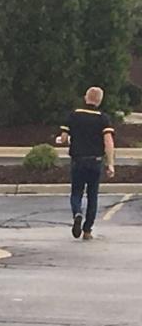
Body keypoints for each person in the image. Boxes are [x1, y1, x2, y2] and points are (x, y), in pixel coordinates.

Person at [58, 86, 116, 240]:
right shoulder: (103, 118)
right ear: (99, 100)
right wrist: (110, 163)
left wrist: (62, 140)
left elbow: (63, 138)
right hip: (95, 161)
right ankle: (87, 229)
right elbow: (108, 141)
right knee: (92, 196)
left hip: (78, 160)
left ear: (86, 97)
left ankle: (77, 212)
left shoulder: (74, 115)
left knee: (76, 192)